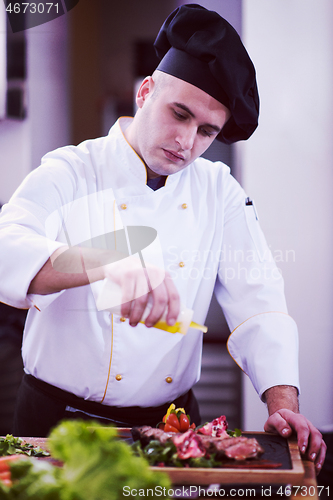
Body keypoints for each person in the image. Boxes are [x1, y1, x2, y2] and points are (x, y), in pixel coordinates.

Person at [0, 4, 326, 471]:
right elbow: (7, 245)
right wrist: (107, 261)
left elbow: (260, 302)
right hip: (53, 423)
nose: (187, 142)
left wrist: (282, 404)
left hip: (169, 427)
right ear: (146, 91)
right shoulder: (70, 169)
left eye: (207, 130)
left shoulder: (219, 192)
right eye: (180, 114)